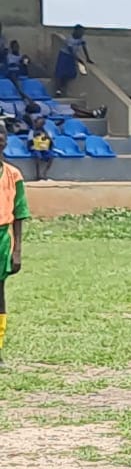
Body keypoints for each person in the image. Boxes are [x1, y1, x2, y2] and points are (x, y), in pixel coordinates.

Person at [0, 128, 30, 365]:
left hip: (2, 239)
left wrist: (17, 249)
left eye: (1, 135)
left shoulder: (13, 175)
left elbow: (19, 212)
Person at [54, 25, 93, 97]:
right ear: (76, 31)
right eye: (80, 32)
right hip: (65, 55)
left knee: (71, 73)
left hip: (72, 57)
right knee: (60, 73)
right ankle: (58, 90)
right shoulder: (70, 39)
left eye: (83, 32)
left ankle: (63, 86)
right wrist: (77, 59)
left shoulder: (81, 38)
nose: (82, 33)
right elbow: (70, 50)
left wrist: (88, 58)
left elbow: (84, 47)